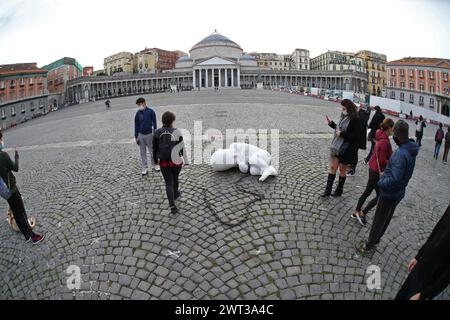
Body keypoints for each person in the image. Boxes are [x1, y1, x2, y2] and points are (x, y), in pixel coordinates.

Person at [357, 120, 419, 254]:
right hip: (398, 193)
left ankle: (369, 245)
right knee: (387, 218)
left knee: (379, 220)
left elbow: (395, 179)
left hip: (389, 194)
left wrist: (381, 182)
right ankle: (377, 239)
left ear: (396, 135)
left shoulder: (400, 154)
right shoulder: (410, 149)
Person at [395, 205, 450, 300]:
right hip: (421, 264)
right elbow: (437, 229)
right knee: (400, 295)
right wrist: (418, 256)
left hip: (431, 279)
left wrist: (424, 295)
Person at [0, 132, 44, 244]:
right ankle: (33, 237)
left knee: (15, 212)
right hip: (12, 189)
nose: (2, 141)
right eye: (1, 139)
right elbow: (15, 168)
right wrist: (16, 154)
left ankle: (26, 235)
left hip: (4, 191)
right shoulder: (3, 155)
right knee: (21, 213)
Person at [352, 118, 394, 226]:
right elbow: (382, 161)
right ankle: (362, 213)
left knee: (367, 191)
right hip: (376, 171)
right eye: (392, 128)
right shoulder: (384, 142)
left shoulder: (380, 135)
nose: (393, 130)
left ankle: (356, 211)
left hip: (372, 168)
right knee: (380, 195)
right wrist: (392, 161)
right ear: (388, 128)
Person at [321, 99, 359, 197]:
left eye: (344, 108)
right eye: (342, 108)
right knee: (333, 167)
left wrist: (341, 134)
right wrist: (332, 124)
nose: (342, 110)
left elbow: (354, 135)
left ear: (349, 108)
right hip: (337, 146)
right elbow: (339, 128)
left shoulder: (355, 119)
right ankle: (327, 191)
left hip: (346, 149)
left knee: (342, 169)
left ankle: (339, 190)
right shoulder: (343, 116)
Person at [152, 112, 186, 214]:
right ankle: (175, 194)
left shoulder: (157, 132)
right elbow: (181, 147)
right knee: (175, 179)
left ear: (162, 121)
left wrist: (155, 160)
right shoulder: (177, 132)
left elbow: (154, 148)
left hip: (163, 162)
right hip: (176, 162)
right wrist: (184, 159)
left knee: (168, 183)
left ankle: (172, 206)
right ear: (172, 121)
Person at [134, 97, 159, 175]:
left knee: (152, 151)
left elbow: (154, 124)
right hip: (141, 135)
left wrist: (154, 134)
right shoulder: (138, 113)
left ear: (144, 103)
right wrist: (136, 136)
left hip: (149, 134)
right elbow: (136, 125)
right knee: (142, 152)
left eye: (140, 104)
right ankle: (144, 167)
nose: (139, 106)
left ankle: (154, 165)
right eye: (138, 105)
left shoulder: (151, 112)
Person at [348, 105, 370, 176]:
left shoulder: (361, 116)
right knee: (353, 153)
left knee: (354, 153)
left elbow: (357, 128)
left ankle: (352, 169)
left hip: (356, 138)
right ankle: (351, 167)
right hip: (355, 138)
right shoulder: (362, 115)